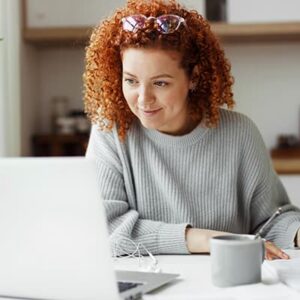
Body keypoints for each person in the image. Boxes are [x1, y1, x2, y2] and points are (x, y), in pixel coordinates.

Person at [83, 0, 300, 260]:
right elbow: (103, 229)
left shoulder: (239, 133)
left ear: (193, 77)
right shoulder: (111, 131)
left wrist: (296, 232)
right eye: (131, 81)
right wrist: (205, 239)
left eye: (160, 83)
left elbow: (271, 222)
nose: (143, 99)